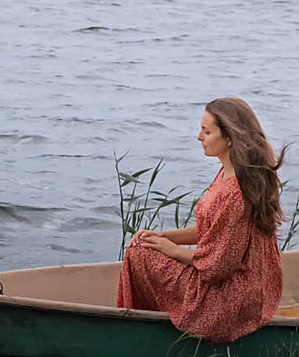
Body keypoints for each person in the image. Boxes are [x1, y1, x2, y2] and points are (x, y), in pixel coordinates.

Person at [118, 97, 285, 343]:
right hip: (244, 287)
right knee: (144, 245)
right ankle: (150, 325)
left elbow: (217, 267)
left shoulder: (236, 193)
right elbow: (214, 231)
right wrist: (164, 236)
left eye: (207, 131)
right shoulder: (232, 173)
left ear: (229, 137)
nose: (199, 136)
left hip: (230, 299)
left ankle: (137, 336)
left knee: (138, 254)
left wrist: (171, 250)